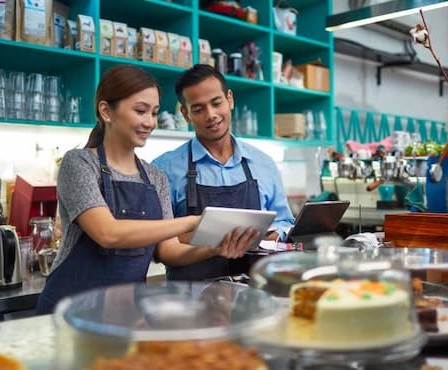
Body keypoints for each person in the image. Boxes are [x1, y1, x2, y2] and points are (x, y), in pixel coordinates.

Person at [36, 65, 259, 314]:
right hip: (68, 311)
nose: (150, 122)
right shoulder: (79, 163)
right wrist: (193, 222)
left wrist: (215, 248)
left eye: (154, 113)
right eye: (140, 111)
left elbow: (169, 250)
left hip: (124, 312)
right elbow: (108, 233)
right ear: (106, 111)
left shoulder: (155, 176)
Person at [152, 64, 295, 281]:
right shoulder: (164, 169)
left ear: (230, 99)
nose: (211, 115)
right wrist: (219, 243)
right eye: (198, 109)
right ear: (185, 113)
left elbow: (285, 222)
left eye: (216, 103)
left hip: (255, 294)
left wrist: (266, 235)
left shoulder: (263, 163)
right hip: (190, 300)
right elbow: (162, 245)